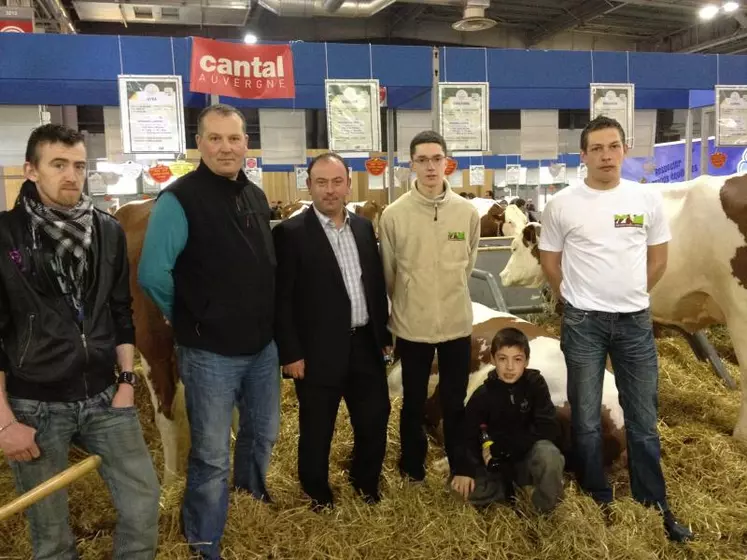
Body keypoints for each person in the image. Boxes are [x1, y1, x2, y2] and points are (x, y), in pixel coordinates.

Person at [0, 124, 159, 559]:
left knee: (144, 503)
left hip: (106, 396)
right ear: (31, 170)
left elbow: (120, 311)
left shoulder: (107, 230)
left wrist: (126, 381)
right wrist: (5, 422)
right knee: (50, 530)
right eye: (58, 165)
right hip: (35, 405)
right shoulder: (6, 235)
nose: (72, 176)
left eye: (79, 166)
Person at [538, 115, 693, 542]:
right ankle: (597, 497)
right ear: (583, 155)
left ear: (624, 150)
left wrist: (632, 294)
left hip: (635, 323)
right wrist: (571, 299)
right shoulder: (563, 204)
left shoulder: (644, 200)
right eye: (597, 149)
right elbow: (550, 262)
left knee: (643, 417)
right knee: (586, 417)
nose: (606, 155)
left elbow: (658, 259)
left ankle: (654, 503)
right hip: (583, 323)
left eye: (614, 147)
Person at [138, 104, 279, 559]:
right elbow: (154, 272)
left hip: (261, 346)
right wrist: (190, 317)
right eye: (215, 138)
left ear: (245, 144)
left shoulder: (254, 196)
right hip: (210, 351)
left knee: (262, 433)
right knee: (212, 452)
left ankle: (251, 498)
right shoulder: (179, 199)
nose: (225, 147)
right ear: (199, 144)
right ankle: (203, 535)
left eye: (234, 138)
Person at [273, 153, 392, 510]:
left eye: (336, 182)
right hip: (316, 351)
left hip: (365, 346)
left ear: (348, 185)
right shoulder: (290, 234)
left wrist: (383, 336)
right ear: (309, 187)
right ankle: (318, 494)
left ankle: (365, 483)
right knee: (317, 429)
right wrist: (291, 353)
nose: (329, 190)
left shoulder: (361, 227)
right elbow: (282, 300)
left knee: (375, 417)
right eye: (321, 183)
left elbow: (372, 284)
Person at [379, 130, 480, 487]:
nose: (430, 166)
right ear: (411, 165)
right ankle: (411, 468)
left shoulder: (466, 213)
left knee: (455, 401)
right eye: (421, 160)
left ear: (447, 162)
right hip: (412, 325)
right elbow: (389, 274)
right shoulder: (394, 216)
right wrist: (411, 298)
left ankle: (459, 466)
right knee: (413, 402)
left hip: (455, 325)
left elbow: (467, 265)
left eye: (436, 158)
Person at [453, 328, 565, 513]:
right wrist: (465, 470)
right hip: (496, 467)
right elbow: (467, 435)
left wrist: (505, 447)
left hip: (526, 458)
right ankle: (508, 491)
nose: (510, 367)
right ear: (493, 359)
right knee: (458, 490)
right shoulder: (482, 396)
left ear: (526, 361)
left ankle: (542, 510)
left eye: (517, 359)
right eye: (503, 359)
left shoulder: (535, 385)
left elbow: (549, 429)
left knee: (549, 456)